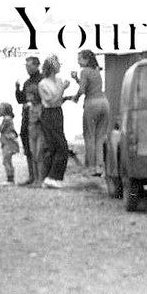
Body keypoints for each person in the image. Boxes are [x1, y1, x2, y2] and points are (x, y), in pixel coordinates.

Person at [37, 55, 73, 189]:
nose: (59, 65)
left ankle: (51, 177)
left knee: (55, 146)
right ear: (51, 66)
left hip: (58, 112)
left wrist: (66, 96)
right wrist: (63, 89)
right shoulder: (43, 84)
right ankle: (52, 177)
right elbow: (51, 100)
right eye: (57, 63)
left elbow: (58, 99)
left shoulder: (58, 80)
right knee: (61, 146)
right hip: (49, 113)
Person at [72, 49, 109, 177]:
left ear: (86, 60)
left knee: (89, 136)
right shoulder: (96, 70)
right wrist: (76, 79)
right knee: (100, 137)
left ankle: (91, 167)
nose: (78, 61)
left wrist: (76, 97)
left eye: (80, 58)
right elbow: (90, 85)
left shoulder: (85, 71)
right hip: (104, 102)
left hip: (92, 103)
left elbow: (82, 89)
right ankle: (100, 167)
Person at [14, 56, 43, 186]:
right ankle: (32, 176)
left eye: (29, 66)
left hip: (37, 118)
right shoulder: (27, 82)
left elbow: (44, 99)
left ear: (37, 66)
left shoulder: (42, 80)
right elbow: (21, 100)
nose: (27, 68)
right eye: (26, 66)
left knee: (37, 148)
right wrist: (17, 89)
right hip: (26, 116)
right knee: (27, 146)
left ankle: (38, 177)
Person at [0, 102, 20, 185]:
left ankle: (10, 179)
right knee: (7, 160)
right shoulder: (8, 118)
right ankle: (10, 178)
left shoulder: (7, 119)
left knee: (6, 161)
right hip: (8, 142)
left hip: (8, 142)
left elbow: (2, 129)